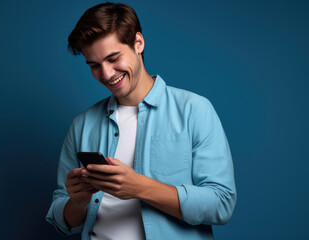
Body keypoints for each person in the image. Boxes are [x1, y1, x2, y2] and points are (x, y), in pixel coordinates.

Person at [46, 2, 236, 240]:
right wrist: (77, 202)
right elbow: (63, 220)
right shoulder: (82, 125)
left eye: (113, 58)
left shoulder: (194, 110)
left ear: (138, 43)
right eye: (94, 65)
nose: (106, 74)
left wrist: (139, 187)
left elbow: (221, 204)